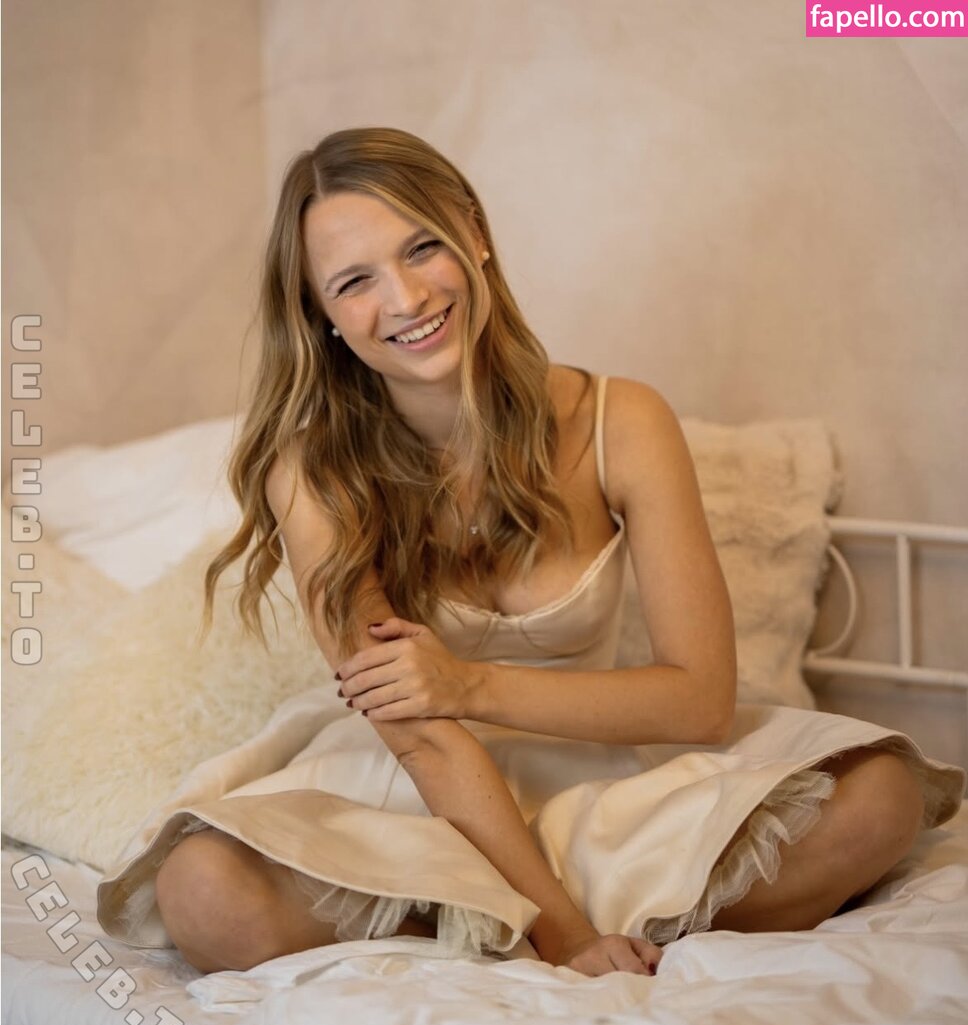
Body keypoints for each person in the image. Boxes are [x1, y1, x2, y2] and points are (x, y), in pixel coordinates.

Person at [96, 127, 965, 980]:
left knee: (880, 796)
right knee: (204, 890)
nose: (405, 298)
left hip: (608, 780)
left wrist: (470, 684)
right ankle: (522, 920)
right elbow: (424, 738)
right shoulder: (313, 471)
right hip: (420, 787)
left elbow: (701, 700)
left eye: (422, 247)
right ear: (320, 315)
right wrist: (568, 936)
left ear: (474, 234)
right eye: (355, 282)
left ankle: (491, 932)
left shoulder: (622, 420)